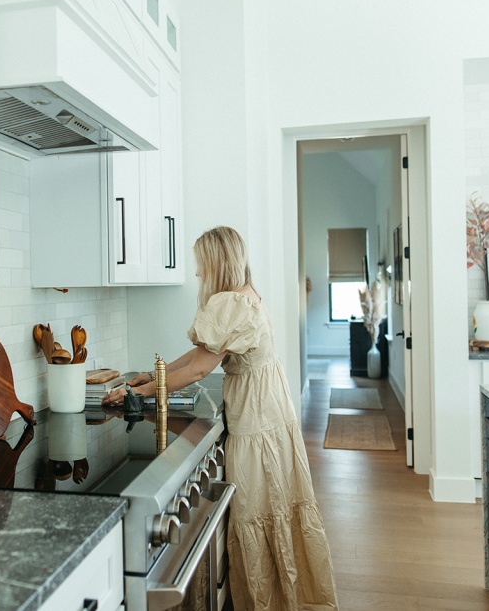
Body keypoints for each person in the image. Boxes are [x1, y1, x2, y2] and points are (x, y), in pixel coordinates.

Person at [103, 226, 339, 611]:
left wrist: (138, 392)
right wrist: (154, 374)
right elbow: (198, 355)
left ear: (216, 263)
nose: (198, 274)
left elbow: (198, 370)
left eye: (201, 265)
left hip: (256, 416)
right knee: (274, 505)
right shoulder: (246, 298)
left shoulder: (228, 304)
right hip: (269, 409)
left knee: (257, 508)